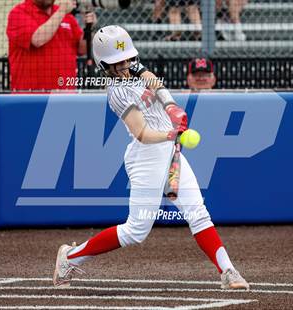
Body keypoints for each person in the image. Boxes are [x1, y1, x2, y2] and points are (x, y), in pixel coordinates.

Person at [52, 25, 250, 290]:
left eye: (127, 59)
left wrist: (170, 105)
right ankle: (70, 258)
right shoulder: (117, 93)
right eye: (117, 62)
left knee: (198, 212)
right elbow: (142, 132)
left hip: (169, 151)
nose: (125, 65)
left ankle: (228, 271)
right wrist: (172, 133)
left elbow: (153, 81)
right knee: (136, 230)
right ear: (104, 65)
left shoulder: (135, 67)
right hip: (145, 154)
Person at [6, 0, 97, 92]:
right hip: (30, 94)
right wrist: (61, 11)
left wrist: (89, 28)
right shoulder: (18, 13)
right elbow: (37, 40)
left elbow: (82, 49)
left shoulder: (67, 16)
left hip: (65, 94)